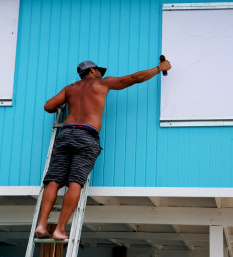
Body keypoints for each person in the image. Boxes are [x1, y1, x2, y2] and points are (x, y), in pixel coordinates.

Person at [36, 58, 172, 239]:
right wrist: (159, 68)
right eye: (99, 70)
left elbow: (49, 106)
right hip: (86, 135)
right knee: (75, 182)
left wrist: (73, 102)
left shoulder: (70, 88)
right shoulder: (102, 84)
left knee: (53, 181)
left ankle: (41, 226)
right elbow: (134, 78)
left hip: (67, 133)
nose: (102, 73)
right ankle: (60, 229)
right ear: (92, 70)